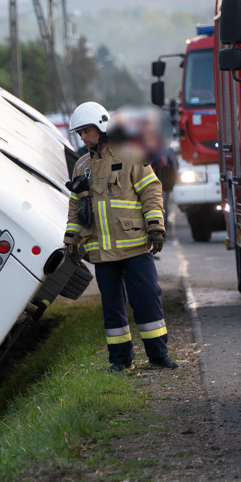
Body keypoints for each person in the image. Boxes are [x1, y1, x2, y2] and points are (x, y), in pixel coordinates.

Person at [63, 101, 178, 372]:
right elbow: (75, 207)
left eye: (87, 131)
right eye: (80, 134)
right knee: (112, 308)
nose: (84, 138)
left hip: (135, 246)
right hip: (101, 250)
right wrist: (71, 238)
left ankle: (158, 356)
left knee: (147, 299)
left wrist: (155, 225)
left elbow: (151, 191)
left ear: (102, 127)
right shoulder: (81, 166)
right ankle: (120, 360)